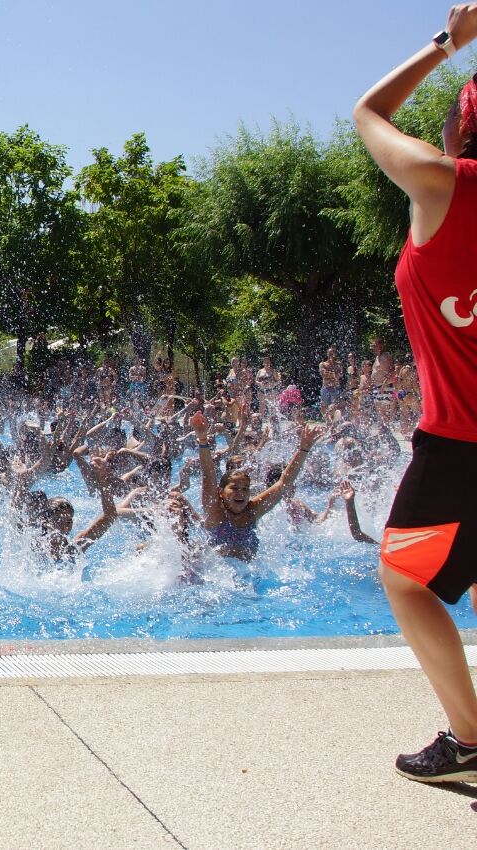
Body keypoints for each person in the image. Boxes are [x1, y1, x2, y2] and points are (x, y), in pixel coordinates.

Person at [352, 4, 477, 784]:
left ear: (459, 134)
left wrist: (447, 42)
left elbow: (368, 111)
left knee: (404, 577)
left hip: (460, 441)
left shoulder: (441, 185)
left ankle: (468, 737)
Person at [190, 412, 319, 561]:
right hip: (217, 575)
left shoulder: (253, 510)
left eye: (245, 489)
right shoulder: (215, 511)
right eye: (235, 488)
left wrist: (304, 449)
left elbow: (283, 483)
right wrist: (202, 439)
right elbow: (208, 474)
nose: (241, 493)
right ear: (221, 492)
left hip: (249, 575)